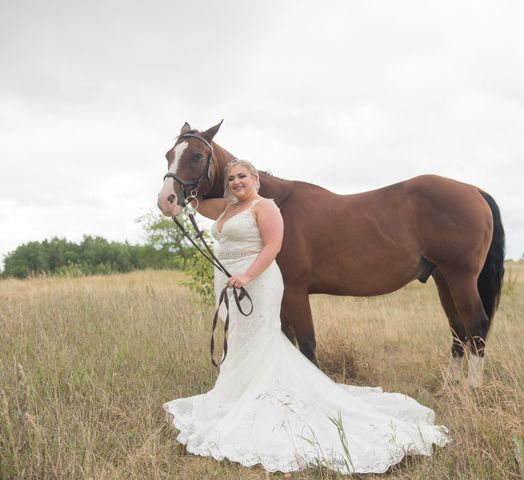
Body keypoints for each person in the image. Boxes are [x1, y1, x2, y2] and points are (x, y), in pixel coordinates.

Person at [163, 159, 449, 474]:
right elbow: (200, 206)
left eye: (242, 176)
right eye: (230, 178)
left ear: (256, 178)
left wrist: (245, 276)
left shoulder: (266, 206)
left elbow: (273, 248)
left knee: (261, 339)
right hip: (231, 283)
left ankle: (269, 396)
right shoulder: (227, 207)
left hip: (255, 283)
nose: (235, 182)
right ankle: (239, 390)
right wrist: (181, 203)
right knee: (241, 339)